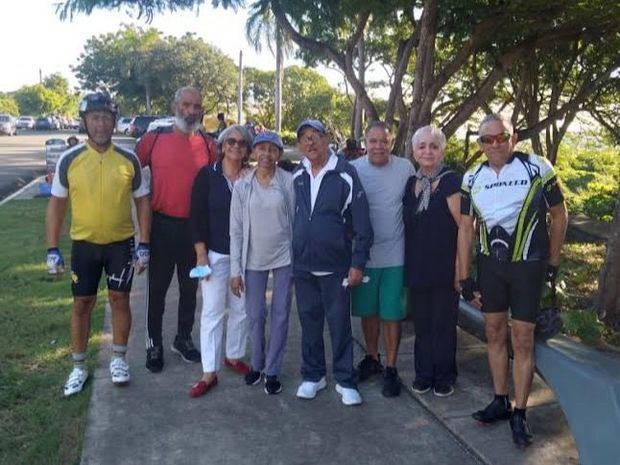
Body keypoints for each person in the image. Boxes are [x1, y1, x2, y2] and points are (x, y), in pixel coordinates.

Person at [458, 113, 567, 447]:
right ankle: (500, 399)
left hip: (528, 266)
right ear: (479, 143)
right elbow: (466, 227)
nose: (494, 144)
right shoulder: (472, 176)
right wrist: (464, 276)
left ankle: (520, 411)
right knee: (493, 332)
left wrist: (552, 262)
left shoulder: (537, 167)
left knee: (521, 338)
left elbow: (560, 214)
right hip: (492, 266)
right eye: (486, 139)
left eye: (500, 137)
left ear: (513, 137)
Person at [46, 92, 150, 396]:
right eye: (95, 117)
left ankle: (118, 359)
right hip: (84, 246)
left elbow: (143, 202)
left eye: (106, 117)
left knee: (120, 300)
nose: (101, 124)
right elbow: (56, 206)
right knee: (82, 304)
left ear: (114, 122)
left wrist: (144, 243)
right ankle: (78, 366)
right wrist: (52, 248)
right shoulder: (70, 159)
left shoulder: (129, 158)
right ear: (85, 121)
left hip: (121, 245)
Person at [136, 86, 217, 373]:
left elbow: (221, 181)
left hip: (195, 231)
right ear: (174, 106)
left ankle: (183, 339)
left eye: (196, 106)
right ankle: (153, 343)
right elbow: (129, 175)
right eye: (186, 105)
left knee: (189, 289)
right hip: (161, 226)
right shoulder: (153, 140)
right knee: (156, 290)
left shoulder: (209, 146)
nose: (191, 111)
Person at [292, 119, 373, 406]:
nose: (310, 143)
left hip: (336, 266)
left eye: (315, 137)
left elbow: (363, 225)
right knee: (310, 324)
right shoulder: (298, 175)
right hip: (303, 267)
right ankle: (313, 375)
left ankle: (344, 379)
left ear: (326, 139)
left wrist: (357, 263)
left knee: (339, 326)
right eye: (304, 139)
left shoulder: (345, 174)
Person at [187, 124, 253, 398]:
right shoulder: (207, 175)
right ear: (222, 146)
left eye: (242, 143)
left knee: (242, 309)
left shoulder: (252, 177)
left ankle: (234, 355)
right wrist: (201, 254)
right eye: (231, 142)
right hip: (215, 252)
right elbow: (197, 215)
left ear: (248, 149)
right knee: (213, 311)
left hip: (247, 255)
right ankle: (209, 371)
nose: (236, 146)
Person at [350, 121, 414, 397]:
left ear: (391, 143)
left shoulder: (405, 168)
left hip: (396, 253)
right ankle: (372, 358)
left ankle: (391, 366)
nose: (378, 146)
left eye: (383, 141)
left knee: (392, 313)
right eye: (373, 141)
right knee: (368, 312)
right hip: (364, 255)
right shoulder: (353, 169)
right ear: (365, 142)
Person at [229, 131, 295, 395]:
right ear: (253, 152)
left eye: (273, 149)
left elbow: (296, 221)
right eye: (262, 149)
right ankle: (256, 364)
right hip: (253, 259)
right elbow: (235, 230)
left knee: (280, 314)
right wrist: (235, 271)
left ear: (279, 154)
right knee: (255, 314)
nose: (267, 155)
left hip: (284, 258)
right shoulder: (243, 185)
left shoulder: (288, 183)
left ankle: (273, 370)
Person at [403, 126, 461, 398]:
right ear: (414, 152)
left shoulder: (450, 182)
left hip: (445, 268)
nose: (427, 151)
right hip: (417, 267)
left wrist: (461, 269)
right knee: (422, 324)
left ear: (442, 151)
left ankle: (444, 376)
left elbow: (464, 227)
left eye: (433, 146)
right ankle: (423, 374)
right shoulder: (411, 183)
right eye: (422, 146)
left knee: (443, 324)